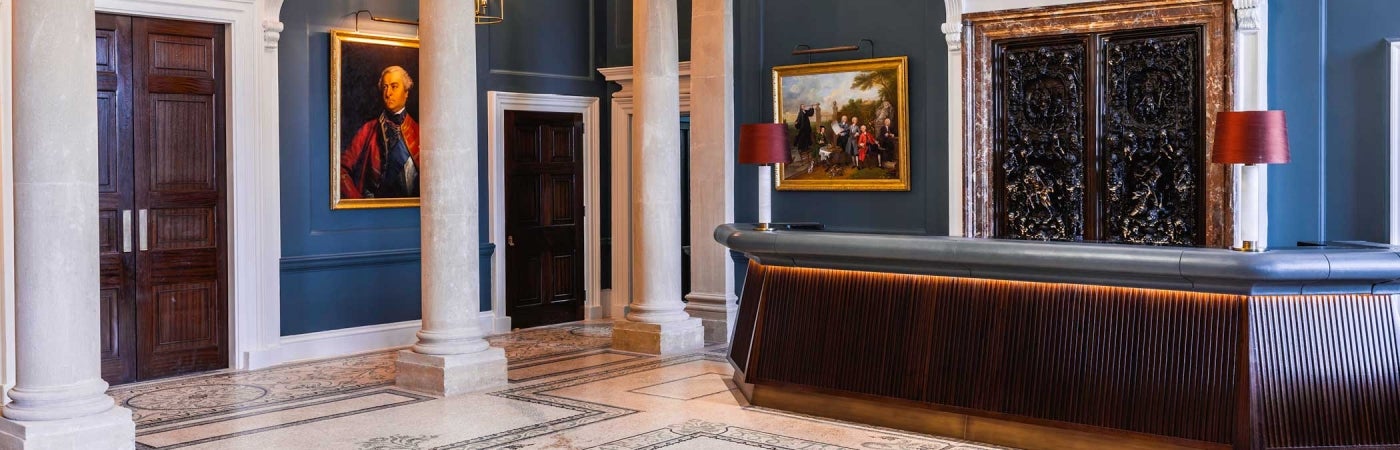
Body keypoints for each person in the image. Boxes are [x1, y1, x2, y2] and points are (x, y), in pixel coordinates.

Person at [341, 65, 421, 199]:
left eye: (394, 86)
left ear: (406, 92)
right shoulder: (368, 130)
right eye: (385, 87)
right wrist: (358, 203)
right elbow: (340, 169)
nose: (388, 93)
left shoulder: (420, 133)